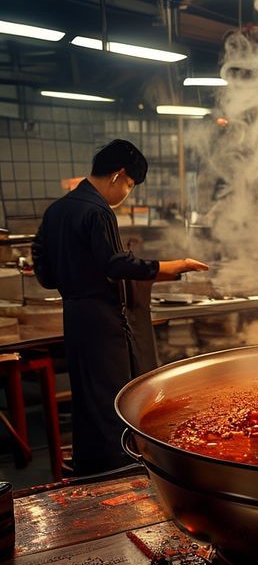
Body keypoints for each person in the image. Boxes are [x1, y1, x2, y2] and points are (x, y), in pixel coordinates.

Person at [32, 139, 209, 475]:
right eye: (130, 185)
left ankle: (91, 462)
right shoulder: (97, 210)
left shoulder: (58, 209)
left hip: (75, 314)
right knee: (116, 392)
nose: (128, 192)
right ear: (119, 175)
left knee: (87, 393)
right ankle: (118, 465)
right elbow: (114, 264)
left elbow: (43, 270)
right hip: (104, 319)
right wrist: (170, 267)